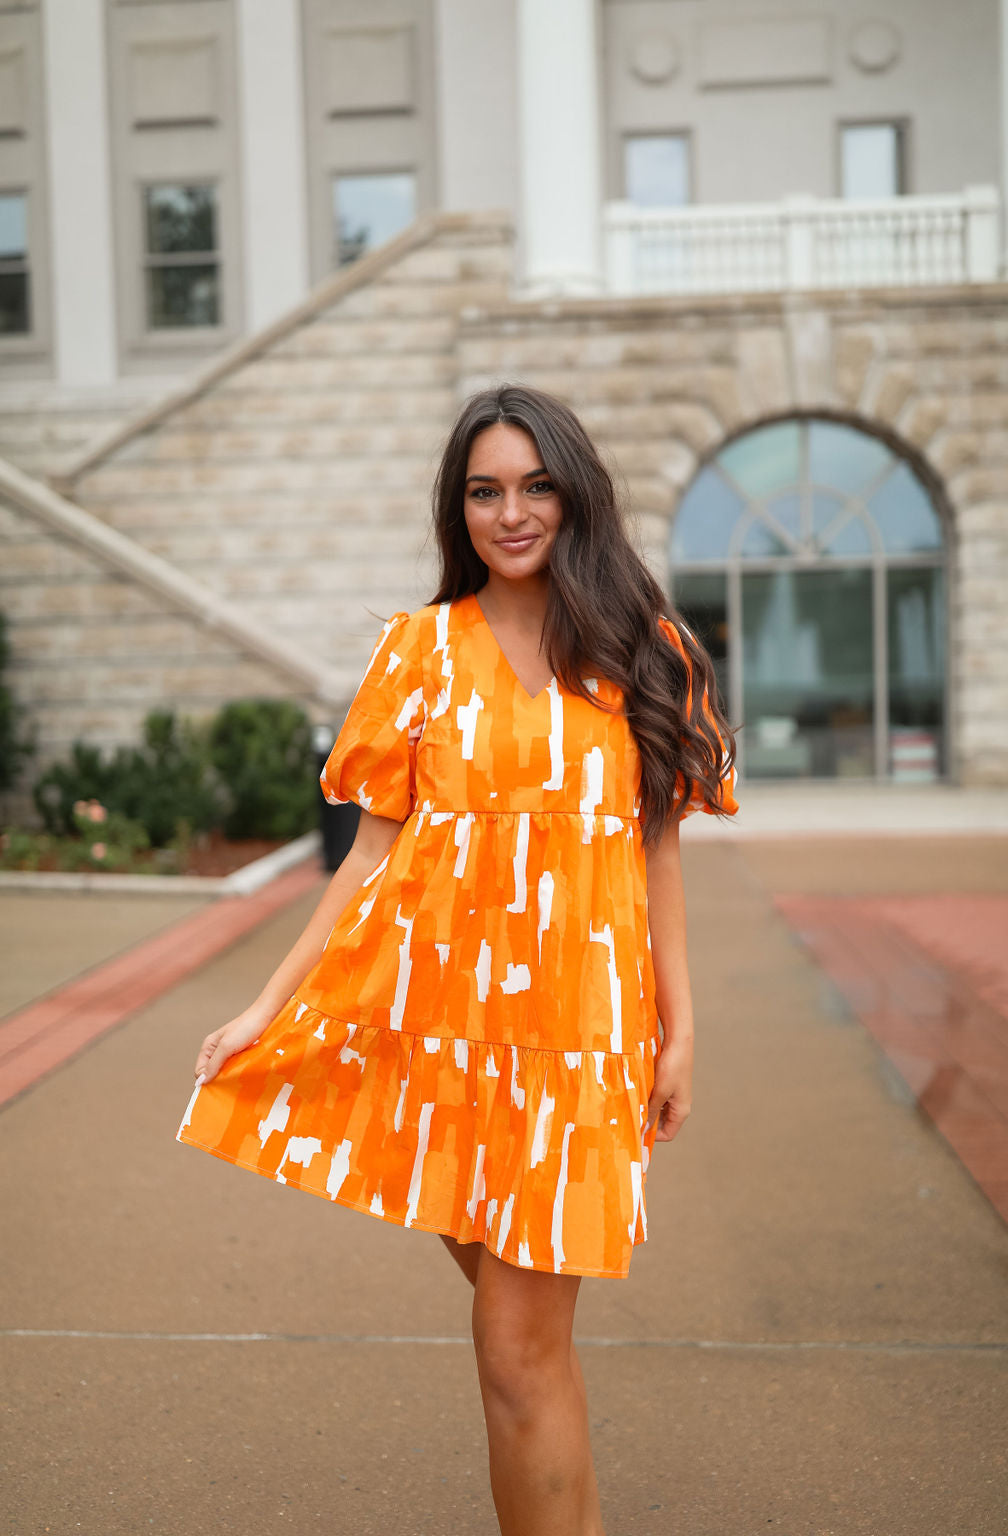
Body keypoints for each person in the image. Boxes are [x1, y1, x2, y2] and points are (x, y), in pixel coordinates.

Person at [177, 382, 737, 1536]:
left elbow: (656, 856)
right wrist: (265, 1008)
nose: (510, 511)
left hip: (577, 1041)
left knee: (513, 1346)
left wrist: (681, 1031)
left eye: (535, 485)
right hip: (432, 1036)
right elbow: (368, 858)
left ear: (576, 495)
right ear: (458, 508)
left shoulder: (646, 650)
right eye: (484, 490)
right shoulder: (421, 651)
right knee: (530, 1347)